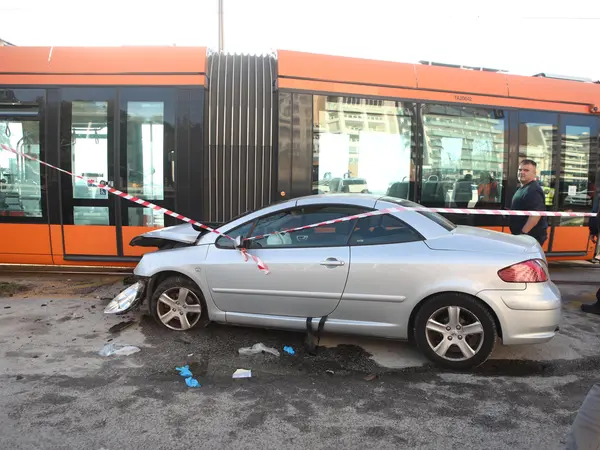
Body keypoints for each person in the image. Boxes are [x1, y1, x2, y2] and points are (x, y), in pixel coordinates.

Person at [509, 159, 548, 246]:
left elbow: (535, 215)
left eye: (526, 170)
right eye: (520, 170)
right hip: (524, 237)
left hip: (529, 238)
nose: (522, 172)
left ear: (534, 173)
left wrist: (523, 234)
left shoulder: (533, 190)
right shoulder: (524, 187)